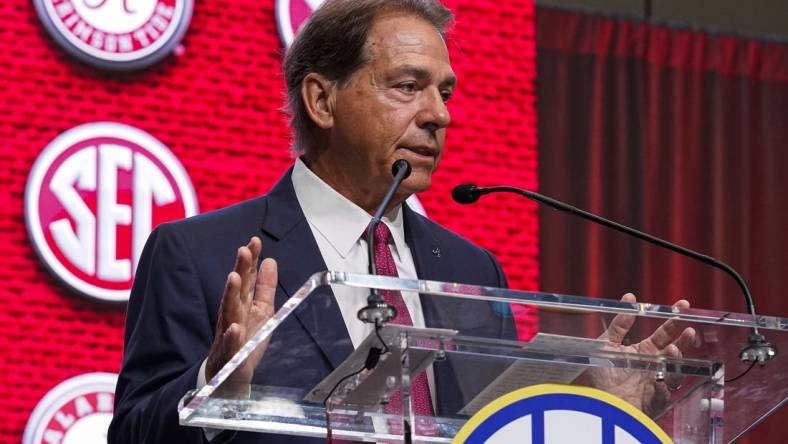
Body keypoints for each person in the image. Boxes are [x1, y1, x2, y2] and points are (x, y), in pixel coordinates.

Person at [109, 0, 694, 442]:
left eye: (444, 92)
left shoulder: (470, 267)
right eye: (408, 87)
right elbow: (133, 434)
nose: (439, 115)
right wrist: (218, 388)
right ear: (322, 100)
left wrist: (584, 404)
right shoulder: (199, 254)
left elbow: (483, 430)